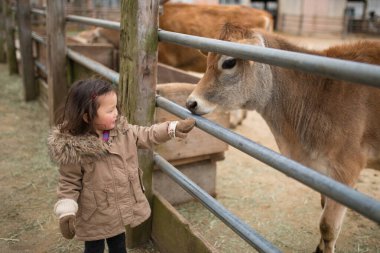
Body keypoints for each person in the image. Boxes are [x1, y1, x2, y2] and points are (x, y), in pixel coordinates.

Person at [48, 79, 195, 253]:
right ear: (87, 116)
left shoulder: (123, 132)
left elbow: (147, 134)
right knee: (94, 248)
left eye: (116, 107)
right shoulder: (74, 149)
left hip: (116, 211)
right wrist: (66, 211)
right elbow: (68, 183)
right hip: (93, 215)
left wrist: (172, 128)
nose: (116, 113)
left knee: (118, 245)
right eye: (110, 110)